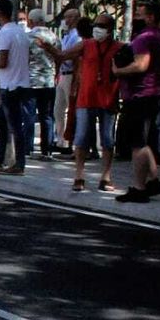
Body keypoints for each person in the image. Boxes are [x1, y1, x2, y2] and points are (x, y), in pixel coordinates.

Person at [41, 13, 121, 192]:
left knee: (108, 140)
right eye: (96, 24)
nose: (98, 28)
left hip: (108, 99)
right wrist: (48, 48)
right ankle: (79, 175)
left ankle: (106, 177)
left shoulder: (119, 47)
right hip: (87, 99)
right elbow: (63, 55)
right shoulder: (86, 45)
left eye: (102, 25)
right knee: (81, 138)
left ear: (110, 29)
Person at [111, 1, 160, 203]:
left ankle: (139, 187)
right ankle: (153, 180)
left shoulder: (145, 38)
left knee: (137, 142)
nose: (135, 16)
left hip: (142, 95)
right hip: (152, 93)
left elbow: (141, 65)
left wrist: (118, 71)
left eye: (139, 13)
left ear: (150, 16)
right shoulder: (158, 36)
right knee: (142, 141)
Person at [0, 0, 32, 175]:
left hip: (9, 85)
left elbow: (2, 62)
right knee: (1, 120)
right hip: (22, 82)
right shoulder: (21, 32)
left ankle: (19, 164)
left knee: (14, 125)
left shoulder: (4, 33)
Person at [25, 8, 58, 159]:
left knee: (29, 115)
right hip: (49, 81)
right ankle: (47, 149)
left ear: (31, 21)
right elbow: (59, 56)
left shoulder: (28, 37)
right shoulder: (54, 37)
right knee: (47, 116)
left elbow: (24, 58)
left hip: (31, 81)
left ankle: (28, 148)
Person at [52, 7, 81, 155]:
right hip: (63, 74)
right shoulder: (66, 35)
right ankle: (61, 140)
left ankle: (71, 142)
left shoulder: (77, 37)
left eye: (69, 17)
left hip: (71, 75)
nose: (66, 20)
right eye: (65, 17)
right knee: (58, 110)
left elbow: (75, 58)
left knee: (72, 110)